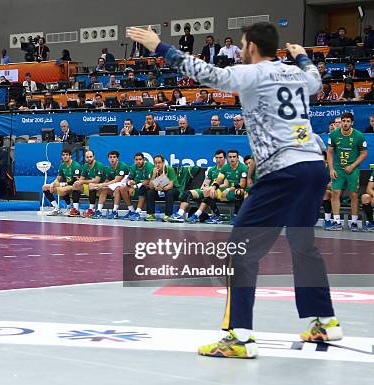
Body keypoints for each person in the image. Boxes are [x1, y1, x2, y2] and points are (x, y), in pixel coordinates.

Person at [128, 22, 342, 358]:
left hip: (282, 169)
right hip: (312, 166)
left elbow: (207, 74)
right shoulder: (297, 75)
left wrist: (160, 46)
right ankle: (324, 321)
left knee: (239, 252)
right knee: (303, 245)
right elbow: (315, 80)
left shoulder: (252, 73)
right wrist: (302, 58)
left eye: (243, 44)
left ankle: (239, 337)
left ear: (252, 47)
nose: (242, 50)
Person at [327, 112, 368, 231]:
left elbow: (364, 153)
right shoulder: (334, 134)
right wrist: (331, 169)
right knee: (335, 192)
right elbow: (329, 152)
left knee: (353, 194)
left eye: (348, 121)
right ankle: (337, 222)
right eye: (343, 121)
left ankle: (354, 223)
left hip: (352, 168)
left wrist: (353, 165)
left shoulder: (359, 135)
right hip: (338, 168)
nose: (345, 124)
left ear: (352, 123)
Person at [42, 149, 81, 216]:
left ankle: (70, 207)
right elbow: (58, 178)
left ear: (70, 156)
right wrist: (53, 184)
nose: (65, 156)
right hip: (66, 185)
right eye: (63, 155)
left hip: (76, 186)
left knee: (63, 189)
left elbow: (75, 181)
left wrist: (62, 184)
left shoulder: (76, 165)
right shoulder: (62, 166)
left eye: (66, 155)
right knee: (45, 187)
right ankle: (56, 208)